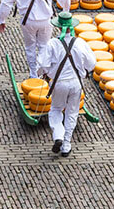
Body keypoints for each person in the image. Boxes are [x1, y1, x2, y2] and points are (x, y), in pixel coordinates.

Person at [0, 0, 71, 79]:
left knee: (30, 47)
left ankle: (33, 74)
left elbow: (6, 3)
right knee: (44, 47)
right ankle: (42, 71)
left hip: (28, 21)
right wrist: (65, 13)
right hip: (46, 21)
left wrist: (1, 20)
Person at [37, 12, 96, 157]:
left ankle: (58, 135)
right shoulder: (81, 43)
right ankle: (66, 144)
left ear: (58, 27)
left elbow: (43, 64)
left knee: (56, 109)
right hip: (76, 83)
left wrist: (44, 73)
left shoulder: (52, 44)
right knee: (72, 112)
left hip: (59, 83)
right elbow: (91, 64)